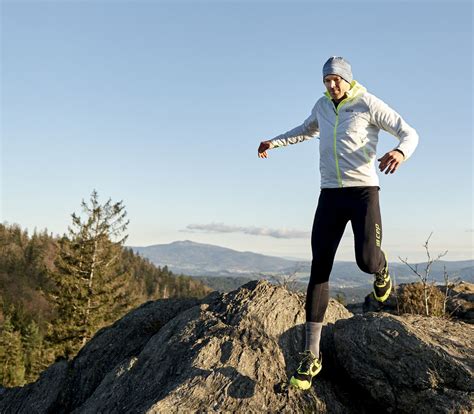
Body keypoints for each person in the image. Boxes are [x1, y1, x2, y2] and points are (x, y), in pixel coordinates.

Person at [257, 56, 419, 391]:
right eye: (326, 81)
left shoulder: (367, 103)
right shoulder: (322, 106)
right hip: (330, 195)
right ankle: (311, 355)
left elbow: (409, 131)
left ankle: (382, 267)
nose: (331, 86)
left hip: (363, 193)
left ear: (347, 80)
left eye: (336, 81)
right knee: (320, 268)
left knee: (366, 260)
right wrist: (274, 141)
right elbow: (305, 130)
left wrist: (400, 152)